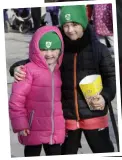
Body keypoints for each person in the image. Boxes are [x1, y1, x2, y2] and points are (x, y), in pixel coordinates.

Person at [9, 5, 116, 154]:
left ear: (83, 23)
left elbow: (111, 78)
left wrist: (105, 97)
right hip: (67, 119)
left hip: (94, 116)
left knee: (104, 151)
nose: (70, 30)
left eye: (75, 24)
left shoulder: (99, 50)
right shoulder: (59, 47)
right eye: (66, 25)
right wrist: (15, 68)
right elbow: (35, 59)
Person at [9, 26, 65, 157]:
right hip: (32, 128)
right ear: (36, 49)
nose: (49, 54)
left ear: (60, 50)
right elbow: (16, 100)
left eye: (53, 49)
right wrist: (20, 124)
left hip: (54, 130)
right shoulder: (27, 70)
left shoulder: (59, 70)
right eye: (44, 49)